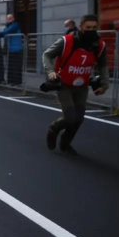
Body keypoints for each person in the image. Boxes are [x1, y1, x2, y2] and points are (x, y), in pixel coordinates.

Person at [43, 14, 108, 155]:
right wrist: (51, 71)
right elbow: (47, 55)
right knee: (70, 117)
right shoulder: (66, 41)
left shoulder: (99, 45)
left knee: (79, 119)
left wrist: (104, 84)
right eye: (88, 28)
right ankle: (54, 128)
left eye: (94, 28)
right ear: (81, 27)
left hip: (82, 86)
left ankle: (65, 143)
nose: (91, 30)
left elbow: (103, 65)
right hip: (64, 84)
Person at [0, 14, 23, 86]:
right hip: (10, 49)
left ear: (14, 18)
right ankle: (11, 81)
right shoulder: (7, 27)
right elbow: (4, 33)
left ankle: (17, 82)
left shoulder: (15, 25)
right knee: (11, 66)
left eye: (10, 18)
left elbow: (7, 32)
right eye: (7, 18)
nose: (9, 19)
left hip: (17, 49)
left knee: (16, 66)